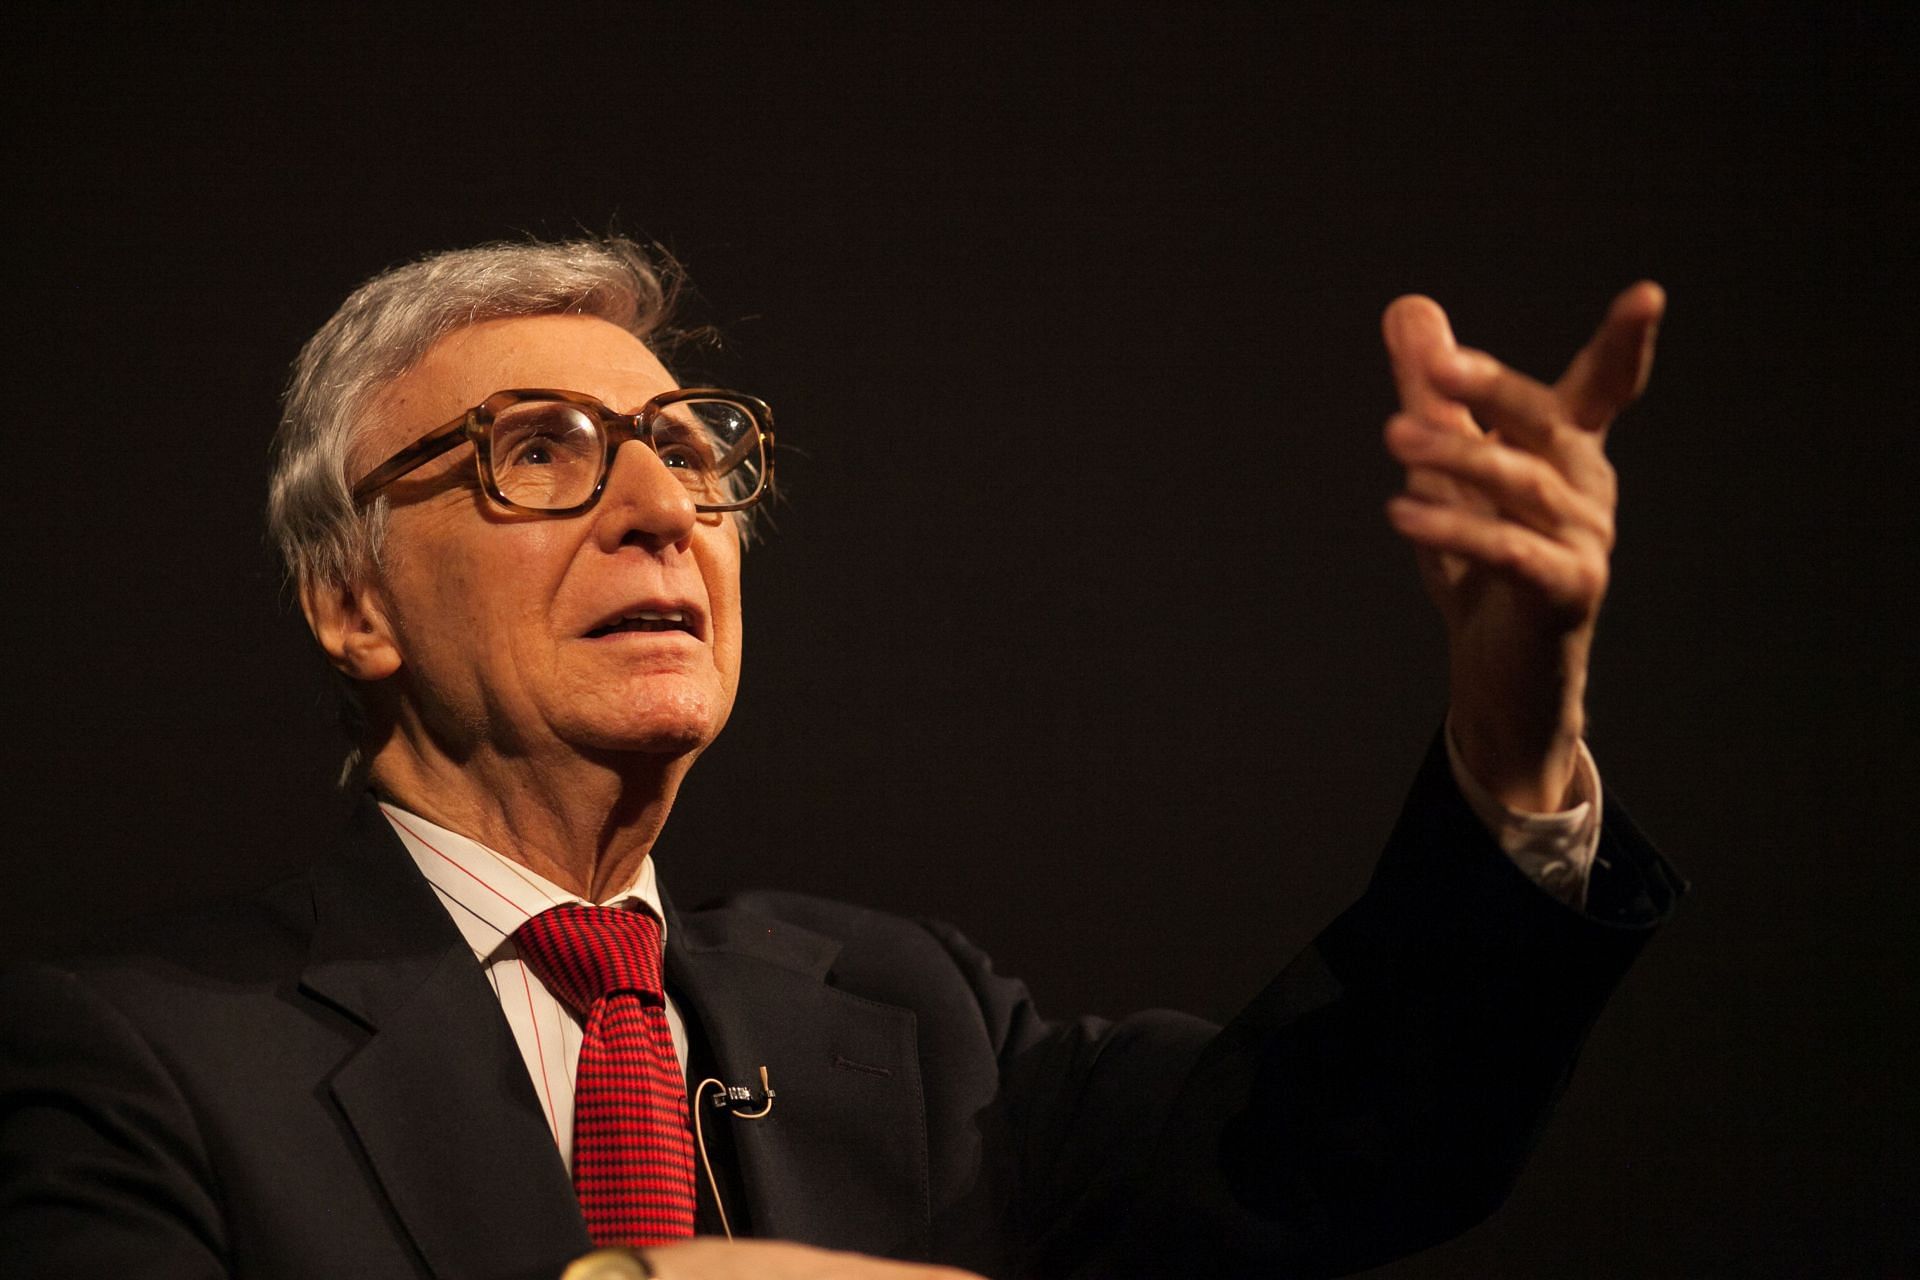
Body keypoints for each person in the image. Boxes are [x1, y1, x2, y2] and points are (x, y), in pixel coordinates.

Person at [0, 238, 1682, 1280]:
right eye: (541, 454)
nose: (663, 509)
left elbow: (1348, 1145)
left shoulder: (914, 1021)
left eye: (694, 454)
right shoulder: (137, 1064)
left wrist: (1518, 724)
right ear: (353, 600)